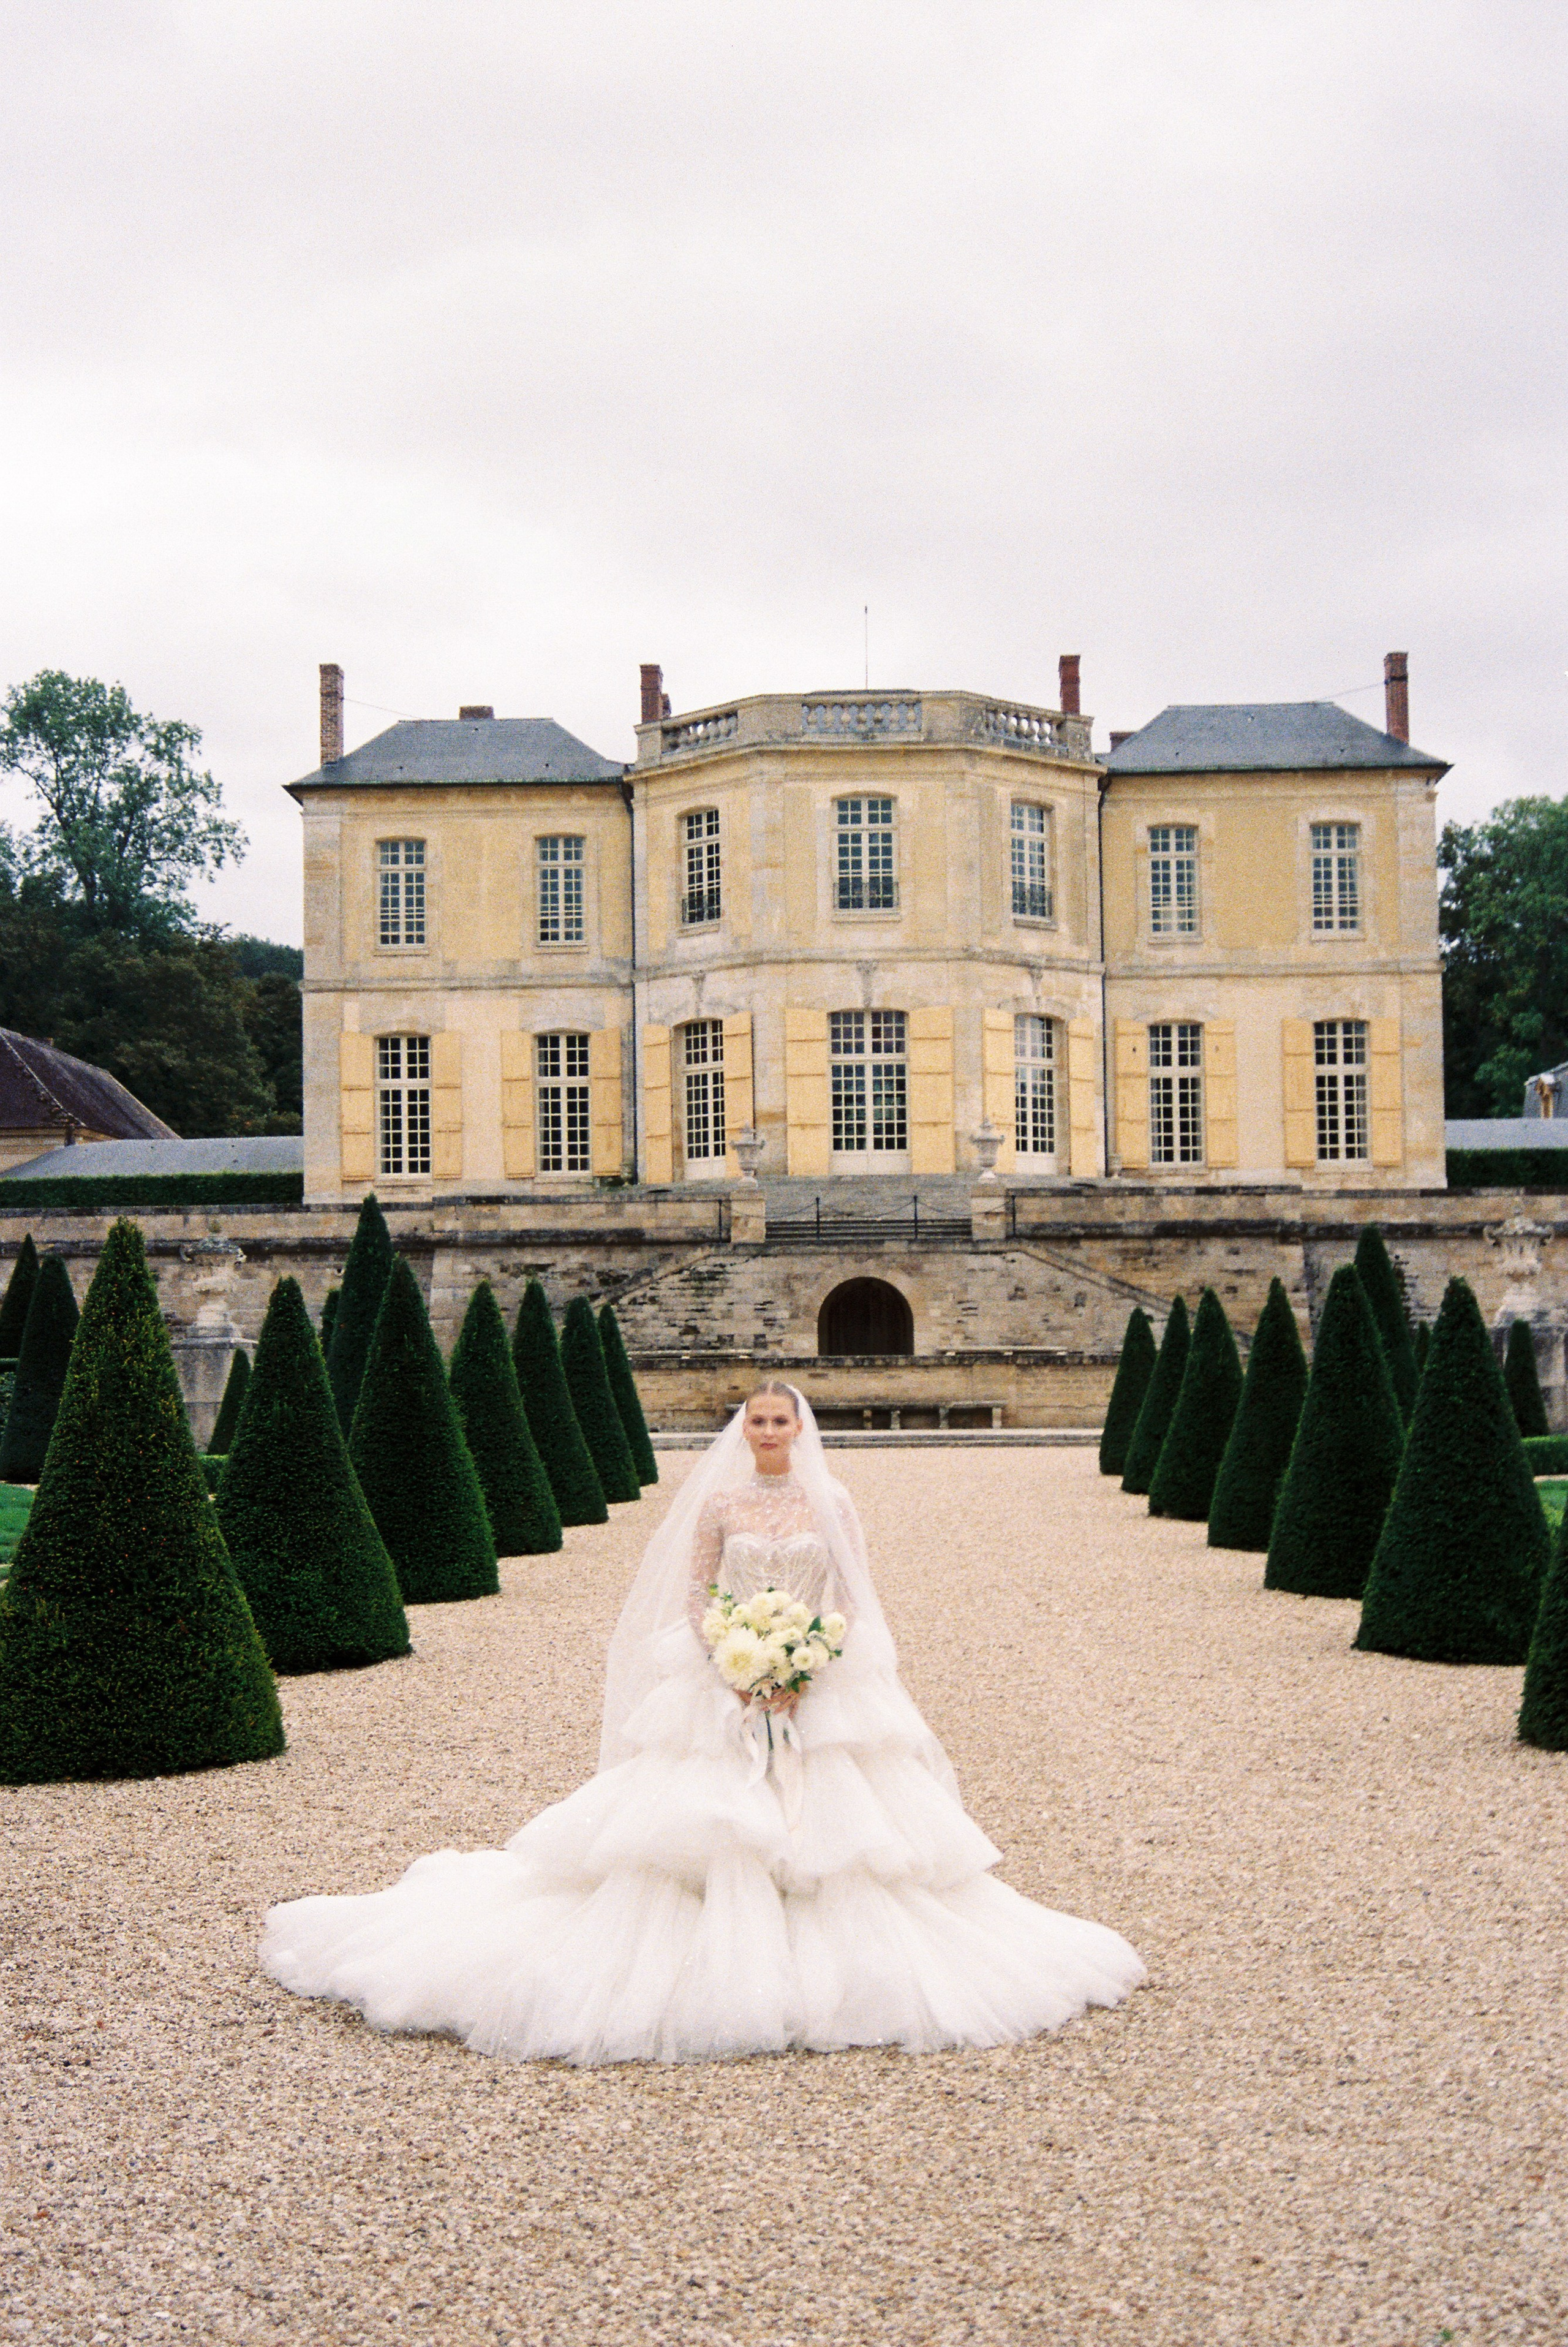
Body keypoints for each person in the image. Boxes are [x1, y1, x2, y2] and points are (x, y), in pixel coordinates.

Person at [260, 1381, 1144, 2063]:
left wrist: (806, 1667)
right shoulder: (721, 1504)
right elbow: (696, 1590)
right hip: (724, 1674)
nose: (768, 1434)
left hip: (817, 1676)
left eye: (780, 1422)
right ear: (744, 1431)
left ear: (800, 1430)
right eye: (756, 1423)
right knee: (695, 1825)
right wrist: (733, 1660)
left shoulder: (834, 1505)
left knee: (847, 1827)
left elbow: (850, 1595)